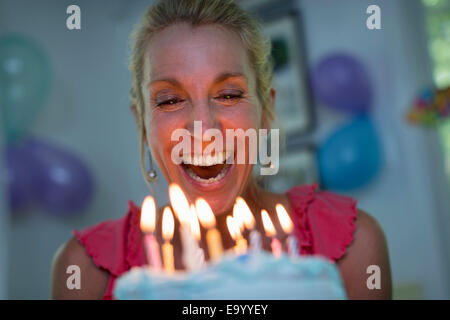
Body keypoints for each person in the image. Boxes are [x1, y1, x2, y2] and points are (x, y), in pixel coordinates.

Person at [51, 0, 392, 300]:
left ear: (266, 111)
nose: (204, 130)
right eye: (170, 100)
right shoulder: (85, 271)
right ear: (142, 122)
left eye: (229, 95)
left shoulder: (354, 247)